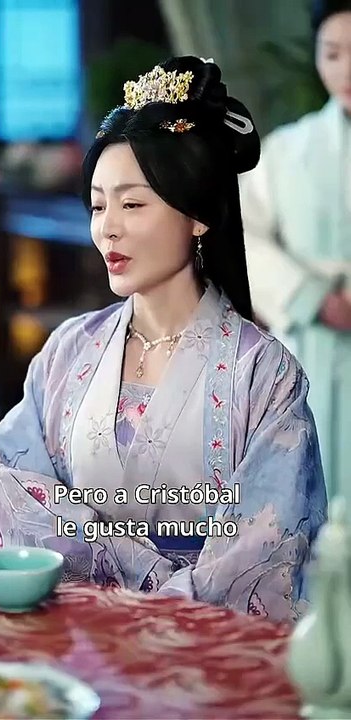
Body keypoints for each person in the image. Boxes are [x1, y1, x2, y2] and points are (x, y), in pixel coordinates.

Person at [0, 56, 327, 623]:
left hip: (200, 652)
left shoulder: (263, 374)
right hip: (82, 637)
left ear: (197, 215)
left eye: (133, 203)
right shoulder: (68, 351)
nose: (108, 227)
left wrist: (150, 606)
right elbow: (15, 487)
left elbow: (266, 549)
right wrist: (123, 595)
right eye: (98, 205)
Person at [239, 0, 351, 505]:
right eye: (333, 54)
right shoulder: (286, 150)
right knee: (308, 484)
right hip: (311, 340)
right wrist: (312, 296)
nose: (345, 70)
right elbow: (241, 232)